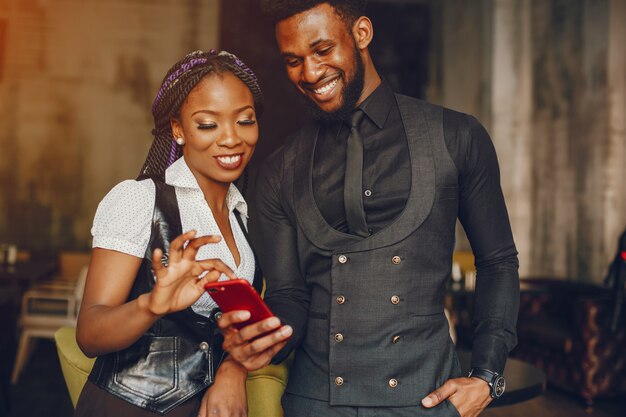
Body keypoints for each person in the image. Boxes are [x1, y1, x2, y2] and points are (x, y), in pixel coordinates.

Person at [218, 1, 520, 417]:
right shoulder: (277, 171)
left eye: (322, 50)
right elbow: (290, 296)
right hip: (314, 403)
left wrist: (488, 376)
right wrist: (260, 341)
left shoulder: (456, 136)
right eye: (294, 60)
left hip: (427, 399)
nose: (309, 73)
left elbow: (498, 261)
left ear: (361, 33)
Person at [74, 49, 264, 417]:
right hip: (129, 408)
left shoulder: (246, 214)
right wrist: (152, 305)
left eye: (245, 120)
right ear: (178, 129)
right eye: (208, 124)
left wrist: (235, 369)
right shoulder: (139, 200)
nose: (231, 139)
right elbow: (89, 334)